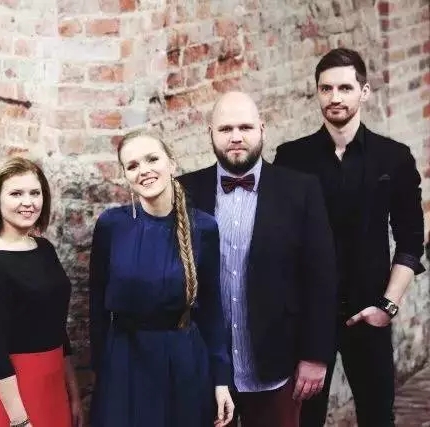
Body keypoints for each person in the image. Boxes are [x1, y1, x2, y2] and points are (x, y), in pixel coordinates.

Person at [274, 48, 425, 427]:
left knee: (378, 418)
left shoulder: (393, 158)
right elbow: (279, 244)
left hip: (368, 313)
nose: (335, 97)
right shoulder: (292, 158)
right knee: (304, 420)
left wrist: (387, 307)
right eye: (326, 89)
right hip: (310, 319)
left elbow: (410, 241)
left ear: (364, 92)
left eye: (345, 88)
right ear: (317, 93)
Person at [178, 91, 338, 427]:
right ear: (210, 133)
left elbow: (321, 278)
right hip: (205, 368)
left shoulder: (300, 190)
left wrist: (316, 355)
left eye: (245, 127)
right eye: (225, 129)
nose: (236, 137)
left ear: (262, 129)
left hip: (276, 366)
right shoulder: (184, 192)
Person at [89, 129, 235, 427]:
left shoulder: (204, 227)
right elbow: (96, 305)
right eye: (132, 165)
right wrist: (103, 370)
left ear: (172, 163)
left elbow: (212, 309)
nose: (143, 170)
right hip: (125, 362)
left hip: (183, 360)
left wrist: (221, 380)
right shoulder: (111, 226)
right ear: (125, 176)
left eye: (152, 159)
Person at [0, 157, 82, 427]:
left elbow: (57, 327)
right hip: (13, 398)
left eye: (35, 193)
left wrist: (73, 395)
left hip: (54, 385)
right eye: (16, 194)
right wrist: (19, 421)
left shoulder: (44, 249)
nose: (28, 202)